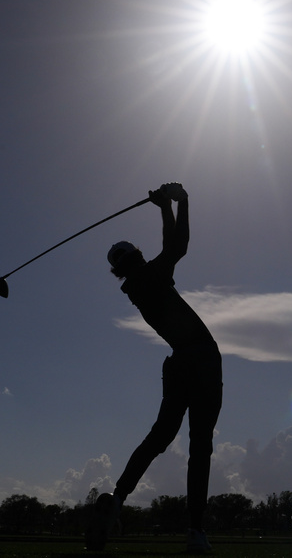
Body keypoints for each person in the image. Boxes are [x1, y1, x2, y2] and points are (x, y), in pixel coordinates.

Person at [93, 182, 223, 553]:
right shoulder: (150, 276)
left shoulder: (135, 286)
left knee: (159, 437)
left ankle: (118, 498)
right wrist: (175, 204)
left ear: (117, 270)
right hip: (201, 359)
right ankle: (195, 530)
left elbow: (172, 248)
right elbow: (177, 246)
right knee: (200, 446)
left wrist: (167, 205)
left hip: (177, 363)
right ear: (137, 255)